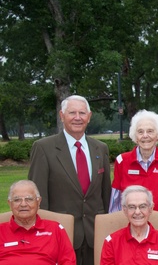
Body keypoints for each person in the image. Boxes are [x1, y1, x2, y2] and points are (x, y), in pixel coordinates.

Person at [28, 95, 111, 265]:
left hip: (94, 234)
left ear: (89, 116)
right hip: (60, 234)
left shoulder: (100, 148)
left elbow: (106, 194)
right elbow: (37, 197)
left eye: (82, 113)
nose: (77, 117)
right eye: (72, 112)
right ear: (62, 115)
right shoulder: (43, 148)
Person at [108, 110, 158, 243]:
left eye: (150, 131)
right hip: (130, 230)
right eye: (140, 132)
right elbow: (115, 202)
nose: (145, 136)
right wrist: (114, 229)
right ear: (135, 136)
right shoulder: (122, 161)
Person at [0, 180, 76, 264]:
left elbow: (68, 261)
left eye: (29, 199)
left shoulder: (55, 229)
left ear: (38, 201)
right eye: (17, 200)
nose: (23, 204)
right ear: (10, 204)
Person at [100, 185, 158, 265]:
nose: (137, 212)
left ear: (151, 208)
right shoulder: (111, 242)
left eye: (142, 206)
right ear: (124, 210)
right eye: (132, 207)